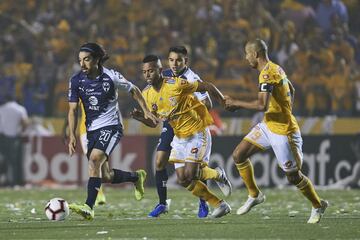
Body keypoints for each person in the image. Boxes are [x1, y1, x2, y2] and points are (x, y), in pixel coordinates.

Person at [223, 39, 328, 224]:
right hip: (268, 125)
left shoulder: (266, 74)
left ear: (255, 54)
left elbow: (262, 105)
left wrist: (236, 103)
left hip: (284, 132)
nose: (246, 58)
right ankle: (255, 195)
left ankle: (318, 205)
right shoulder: (276, 68)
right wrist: (285, 109)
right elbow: (292, 89)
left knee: (293, 176)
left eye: (247, 54)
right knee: (239, 154)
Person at [132, 54, 231, 218]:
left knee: (192, 173)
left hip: (196, 131)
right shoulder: (147, 94)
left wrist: (222, 100)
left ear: (160, 71)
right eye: (144, 72)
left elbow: (207, 86)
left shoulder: (176, 84)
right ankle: (219, 204)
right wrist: (141, 118)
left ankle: (217, 175)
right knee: (183, 179)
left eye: (151, 71)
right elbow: (155, 122)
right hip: (178, 137)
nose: (147, 74)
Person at [67, 42, 158, 220]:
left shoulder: (111, 76)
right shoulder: (76, 80)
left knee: (94, 161)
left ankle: (88, 207)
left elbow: (134, 90)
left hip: (112, 126)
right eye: (80, 60)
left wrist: (146, 111)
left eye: (86, 59)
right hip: (91, 130)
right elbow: (72, 110)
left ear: (97, 59)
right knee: (105, 175)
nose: (82, 64)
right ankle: (136, 177)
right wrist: (71, 135)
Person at [62, 100, 106, 205]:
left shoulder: (105, 85)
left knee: (102, 165)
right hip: (86, 131)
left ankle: (133, 177)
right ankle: (99, 194)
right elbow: (73, 109)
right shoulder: (81, 86)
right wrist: (66, 128)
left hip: (103, 128)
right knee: (93, 161)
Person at [0, 94, 29, 186]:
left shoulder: (2, 108)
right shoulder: (20, 109)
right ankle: (15, 182)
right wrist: (21, 130)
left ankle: (3, 181)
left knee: (3, 160)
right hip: (15, 137)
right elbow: (25, 123)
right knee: (14, 162)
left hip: (2, 137)